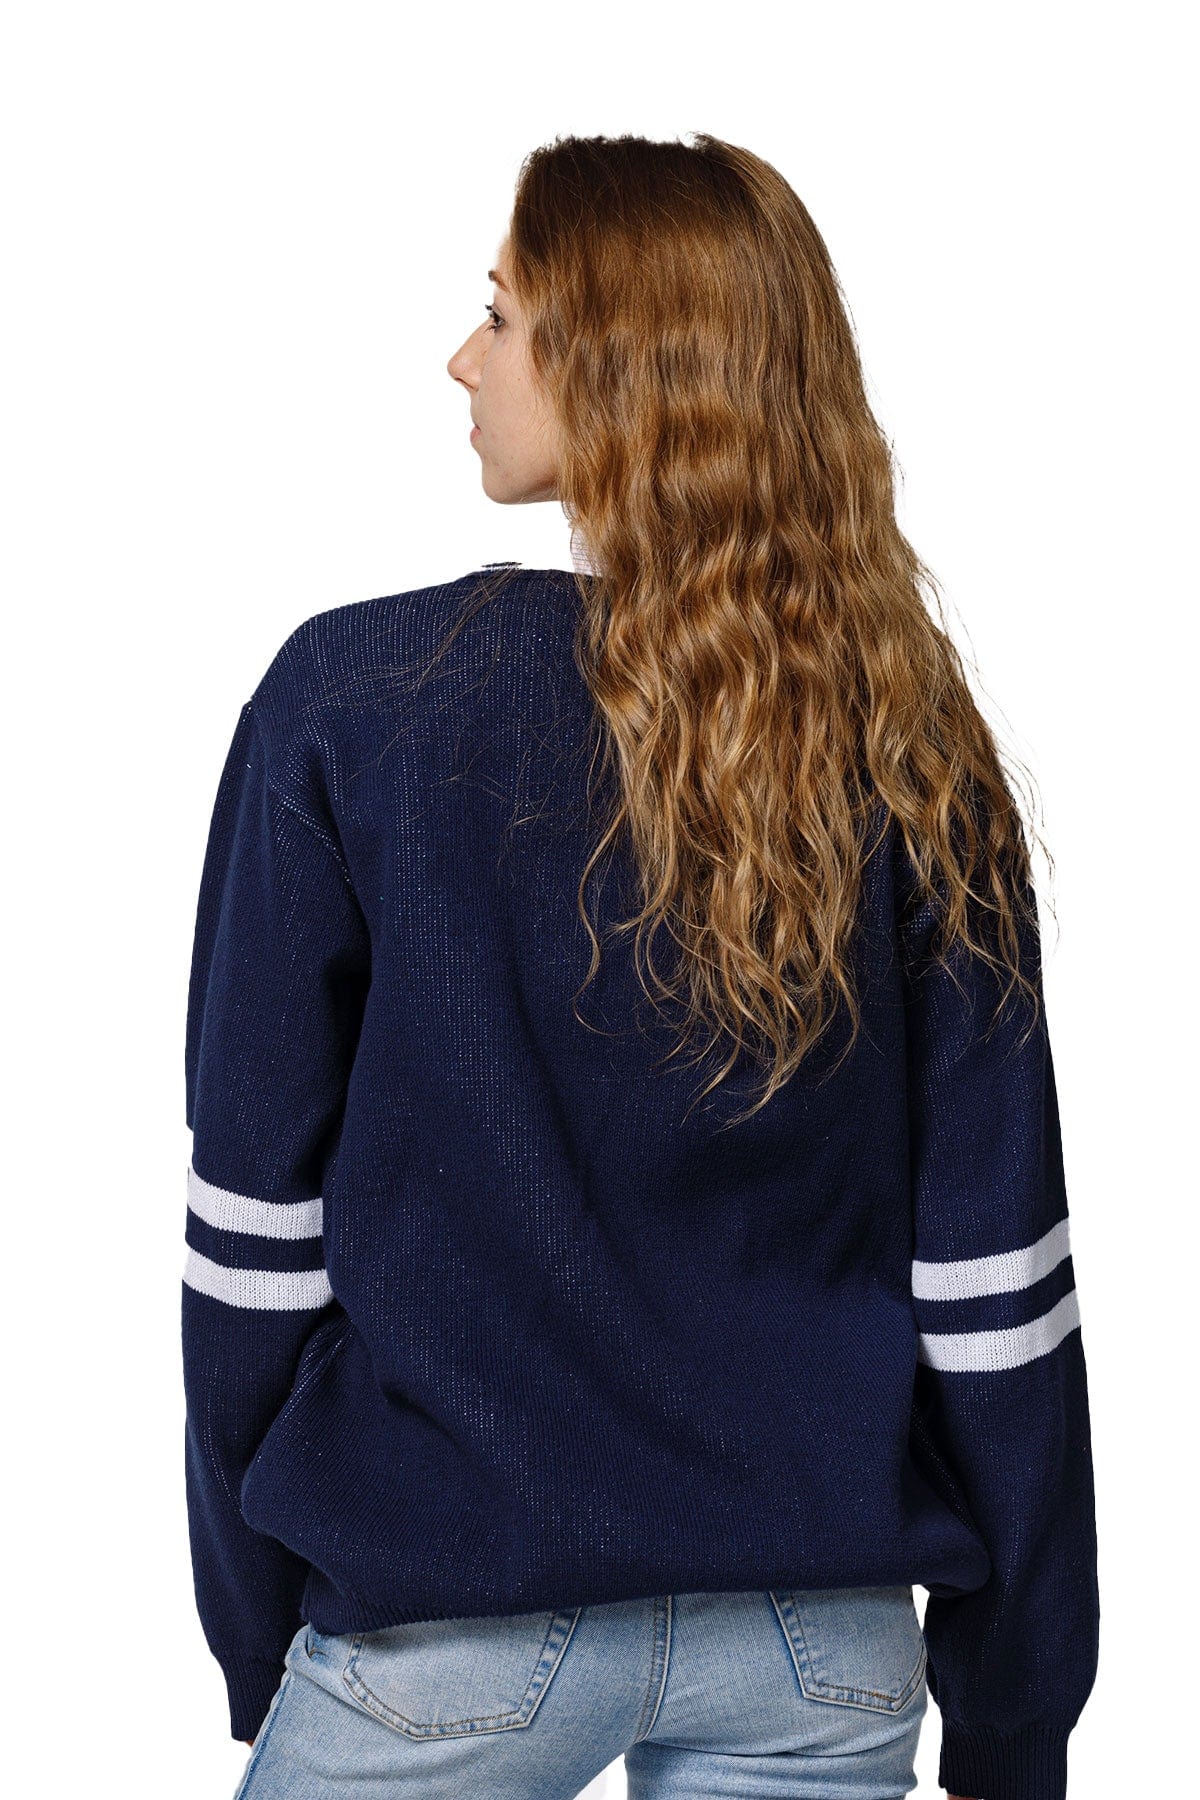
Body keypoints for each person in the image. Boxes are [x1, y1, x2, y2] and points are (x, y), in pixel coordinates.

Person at [181, 133, 1100, 1800]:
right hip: (817, 1640)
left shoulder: (353, 702)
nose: (462, 359)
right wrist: (1016, 1714)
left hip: (447, 1626)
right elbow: (996, 1281)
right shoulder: (904, 740)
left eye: (502, 315)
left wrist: (262, 1632)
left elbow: (255, 1239)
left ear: (618, 363)